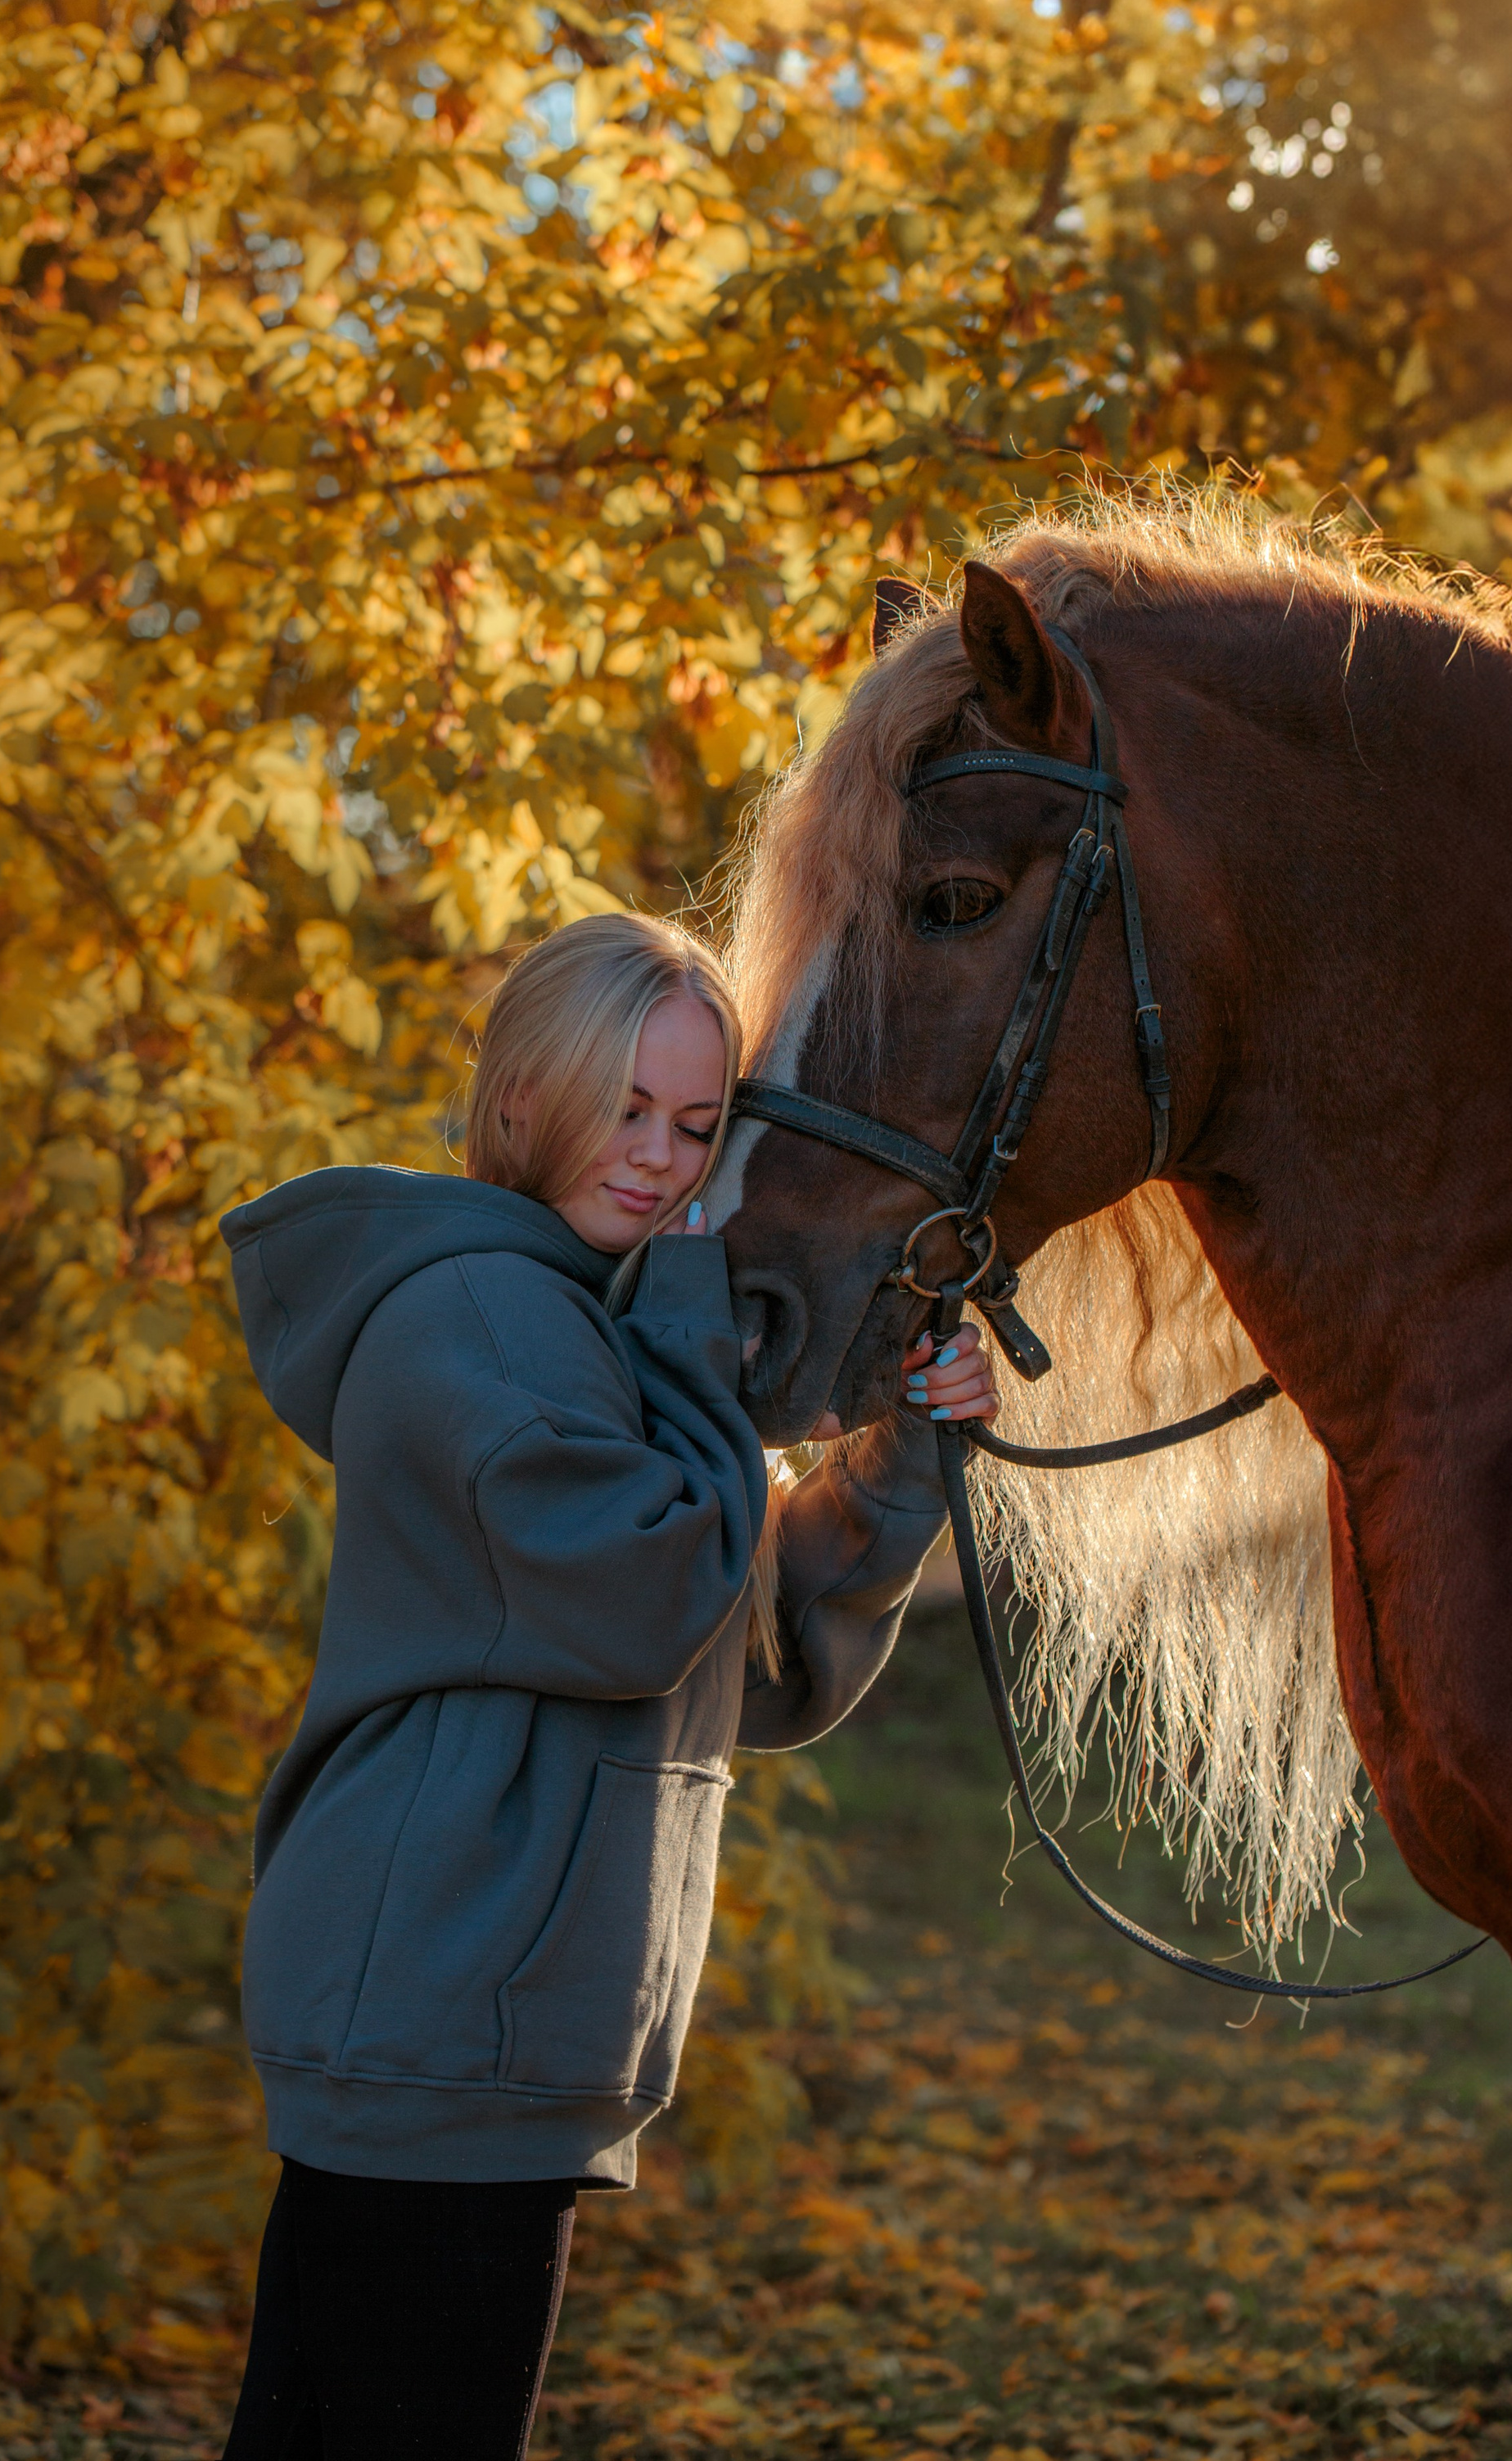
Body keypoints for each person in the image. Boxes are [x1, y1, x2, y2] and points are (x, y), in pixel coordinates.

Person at [218, 911, 995, 2460]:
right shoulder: (477, 1319)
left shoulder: (591, 1327)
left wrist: (909, 1448)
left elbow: (749, 1659)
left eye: (697, 1125)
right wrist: (705, 1338)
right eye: (622, 1106)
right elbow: (657, 1595)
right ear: (522, 1097)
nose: (656, 1160)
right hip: (441, 2008)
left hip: (481, 2026)